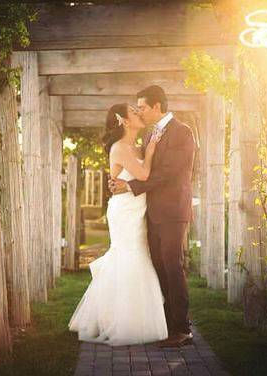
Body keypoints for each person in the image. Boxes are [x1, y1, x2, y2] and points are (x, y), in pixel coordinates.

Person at [68, 102, 168, 346]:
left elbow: (146, 177)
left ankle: (132, 317)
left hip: (137, 208)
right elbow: (144, 175)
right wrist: (152, 151)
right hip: (124, 211)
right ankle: (122, 321)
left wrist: (149, 151)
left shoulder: (135, 146)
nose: (139, 113)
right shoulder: (120, 147)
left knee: (137, 255)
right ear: (123, 120)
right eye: (134, 112)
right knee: (128, 256)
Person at [109, 85, 196, 347]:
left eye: (143, 107)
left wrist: (131, 186)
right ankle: (166, 326)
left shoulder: (182, 132)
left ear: (157, 106)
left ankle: (182, 330)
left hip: (172, 212)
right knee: (159, 268)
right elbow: (142, 168)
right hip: (151, 213)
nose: (140, 112)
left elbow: (169, 172)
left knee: (173, 266)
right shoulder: (149, 136)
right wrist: (122, 182)